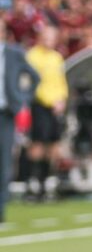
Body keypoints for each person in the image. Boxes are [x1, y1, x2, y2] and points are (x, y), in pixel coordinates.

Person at [0, 20, 40, 227]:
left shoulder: (14, 53)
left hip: (6, 114)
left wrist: (22, 98)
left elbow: (34, 76)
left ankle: (1, 210)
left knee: (4, 163)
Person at [25, 25, 68, 202]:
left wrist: (62, 100)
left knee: (53, 145)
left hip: (55, 106)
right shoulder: (32, 56)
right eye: (47, 37)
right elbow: (32, 84)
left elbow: (61, 82)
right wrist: (50, 101)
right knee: (37, 144)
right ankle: (32, 184)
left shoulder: (56, 57)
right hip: (40, 105)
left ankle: (46, 184)